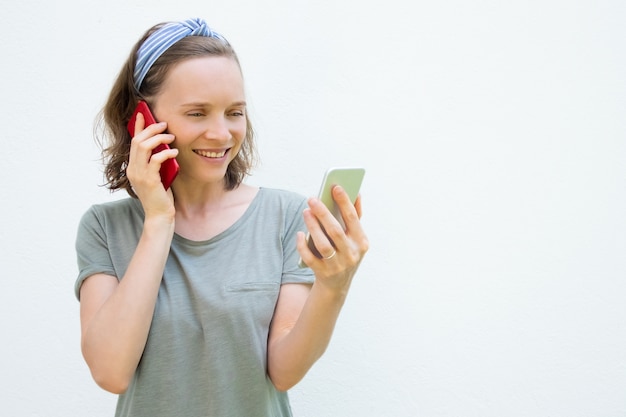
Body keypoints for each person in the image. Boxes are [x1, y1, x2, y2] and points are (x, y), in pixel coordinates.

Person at [74, 18, 369, 417]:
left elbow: (284, 371)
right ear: (142, 120)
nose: (222, 133)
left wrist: (333, 287)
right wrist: (160, 220)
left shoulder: (284, 216)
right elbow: (111, 372)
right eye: (197, 113)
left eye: (234, 112)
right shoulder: (104, 228)